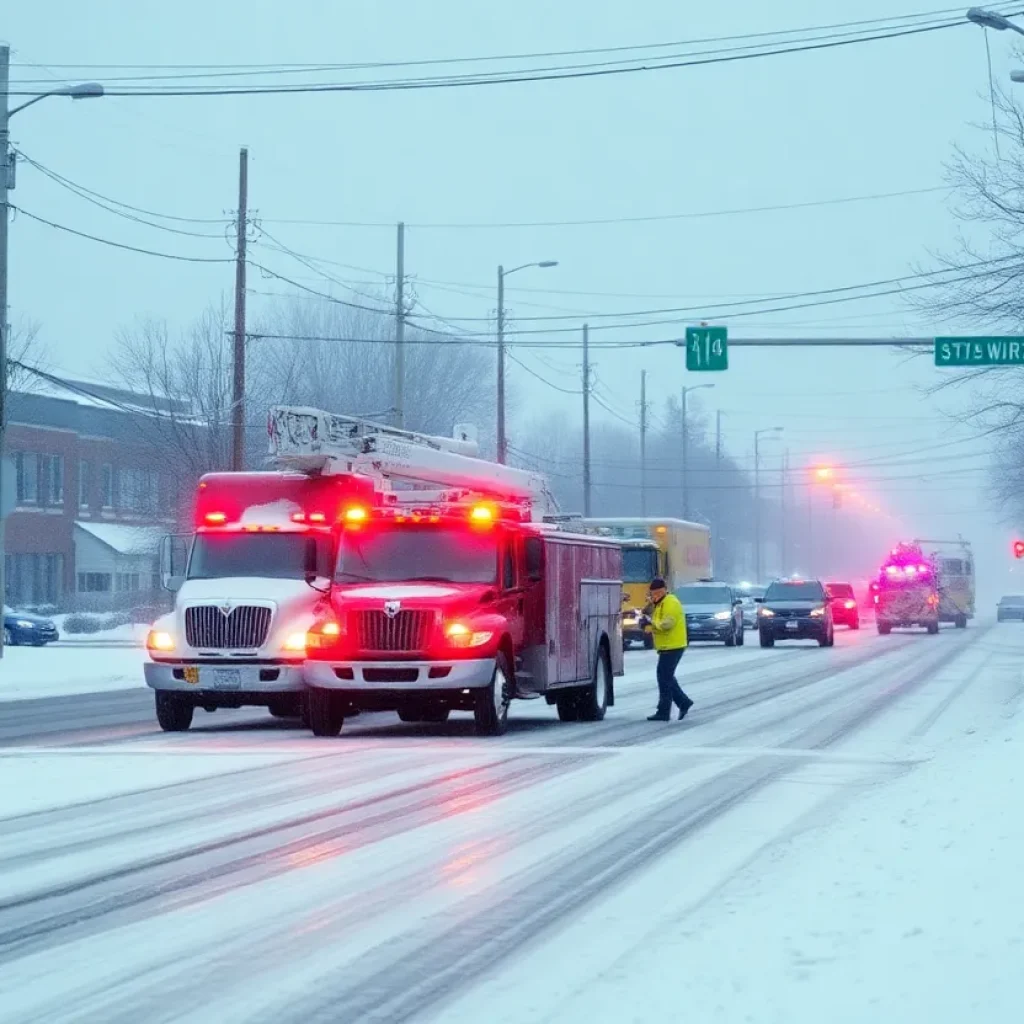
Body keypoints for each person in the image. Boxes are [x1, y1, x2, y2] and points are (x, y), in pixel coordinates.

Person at [640, 577, 693, 722]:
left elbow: (667, 624)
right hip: (667, 646)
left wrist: (651, 623)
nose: (654, 596)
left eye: (657, 593)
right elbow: (656, 621)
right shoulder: (660, 603)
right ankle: (683, 702)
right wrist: (647, 624)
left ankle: (664, 711)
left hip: (673, 646)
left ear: (663, 590)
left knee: (664, 678)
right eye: (653, 593)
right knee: (666, 677)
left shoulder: (671, 602)